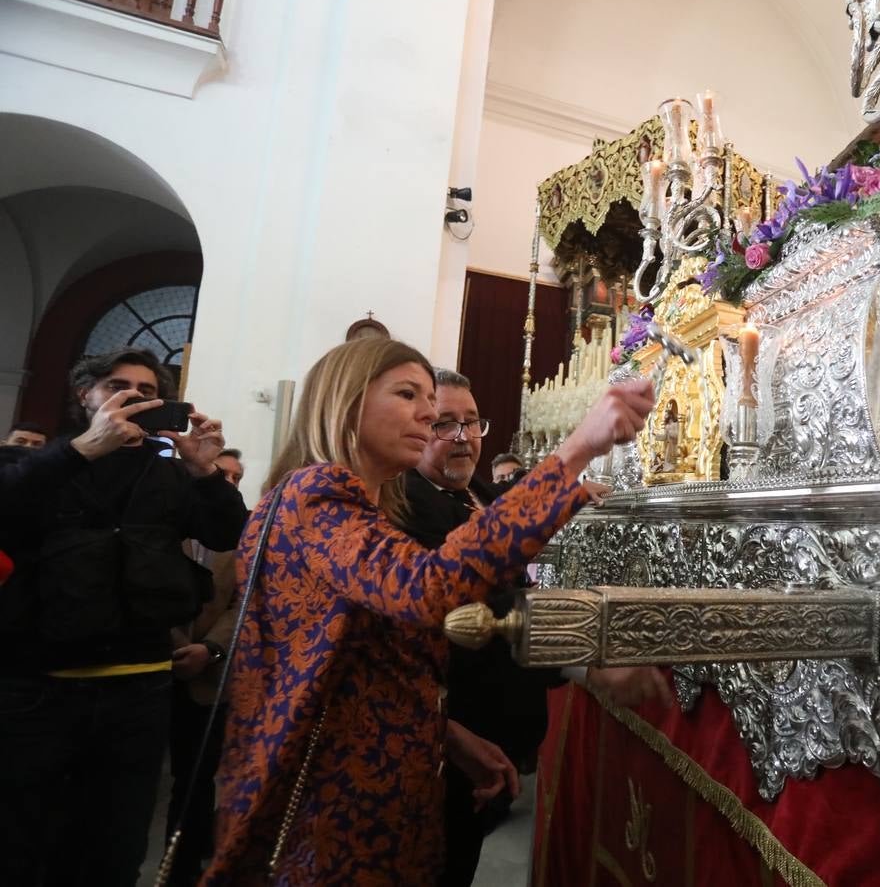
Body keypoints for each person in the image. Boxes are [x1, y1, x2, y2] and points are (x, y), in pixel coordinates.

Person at [203, 338, 654, 885]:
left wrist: (448, 737)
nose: (429, 411)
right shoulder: (315, 493)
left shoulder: (354, 505)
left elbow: (369, 662)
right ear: (345, 402)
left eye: (429, 397)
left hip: (384, 790)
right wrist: (577, 448)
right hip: (337, 812)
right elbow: (430, 589)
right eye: (406, 393)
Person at [404, 369, 671, 887]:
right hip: (445, 747)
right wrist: (582, 663)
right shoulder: (413, 504)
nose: (463, 437)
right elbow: (491, 605)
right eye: (445, 425)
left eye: (472, 422)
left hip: (488, 745)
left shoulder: (478, 492)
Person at [0, 346, 248, 887]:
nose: (134, 396)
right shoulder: (39, 464)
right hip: (40, 689)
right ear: (84, 395)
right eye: (118, 386)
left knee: (115, 849)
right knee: (23, 845)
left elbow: (228, 535)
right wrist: (81, 453)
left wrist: (205, 471)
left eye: (148, 391)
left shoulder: (169, 476)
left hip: (136, 689)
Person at [163, 447, 247, 886]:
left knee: (193, 782)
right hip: (152, 671)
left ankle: (181, 871)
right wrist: (173, 641)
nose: (227, 483)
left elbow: (246, 602)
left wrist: (209, 649)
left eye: (234, 477)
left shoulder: (244, 537)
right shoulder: (165, 527)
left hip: (211, 676)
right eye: (220, 474)